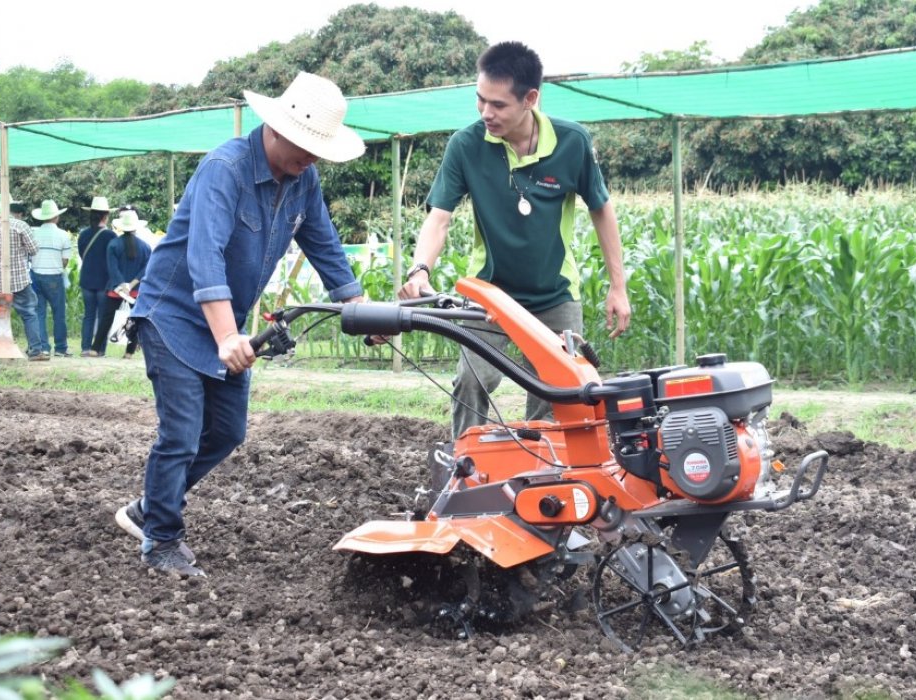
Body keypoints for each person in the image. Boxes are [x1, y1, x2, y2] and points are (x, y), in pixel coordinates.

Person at [115, 72, 366, 576]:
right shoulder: (224, 168)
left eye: (319, 151)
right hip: (174, 316)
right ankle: (161, 540)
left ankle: (149, 507)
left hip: (225, 324)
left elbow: (324, 245)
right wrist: (227, 333)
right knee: (182, 434)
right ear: (275, 128)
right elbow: (203, 256)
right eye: (305, 147)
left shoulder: (303, 179)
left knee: (227, 431)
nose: (311, 159)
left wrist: (360, 307)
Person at [397, 41, 631, 438]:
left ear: (530, 99)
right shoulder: (466, 146)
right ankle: (467, 474)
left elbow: (601, 209)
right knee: (472, 381)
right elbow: (439, 218)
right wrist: (421, 269)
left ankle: (544, 478)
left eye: (499, 105)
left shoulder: (572, 142)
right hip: (489, 295)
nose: (486, 112)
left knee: (559, 390)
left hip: (554, 294)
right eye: (480, 100)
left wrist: (618, 286)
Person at [0, 196, 49, 360]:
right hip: (20, 280)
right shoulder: (20, 225)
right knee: (29, 313)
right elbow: (34, 249)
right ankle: (36, 351)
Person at [90, 207, 151, 358]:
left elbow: (112, 268)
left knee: (106, 319)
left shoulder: (113, 244)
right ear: (136, 227)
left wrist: (122, 284)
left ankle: (95, 349)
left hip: (115, 290)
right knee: (135, 320)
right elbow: (146, 269)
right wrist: (131, 285)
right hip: (136, 291)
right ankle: (129, 352)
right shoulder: (145, 247)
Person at [29, 200, 73, 358]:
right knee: (58, 313)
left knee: (39, 312)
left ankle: (43, 347)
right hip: (54, 276)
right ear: (56, 217)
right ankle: (61, 348)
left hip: (35, 275)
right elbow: (65, 260)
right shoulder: (62, 235)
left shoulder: (33, 233)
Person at [77, 196, 117, 357]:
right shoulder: (111, 236)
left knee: (88, 315)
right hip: (104, 281)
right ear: (106, 215)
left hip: (86, 279)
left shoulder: (83, 234)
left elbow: (82, 255)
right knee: (103, 317)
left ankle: (85, 348)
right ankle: (100, 349)